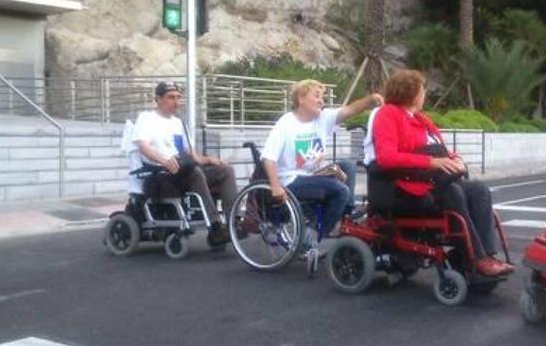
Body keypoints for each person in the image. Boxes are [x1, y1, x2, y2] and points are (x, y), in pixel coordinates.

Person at [371, 69, 513, 278]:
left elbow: (441, 150)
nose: (424, 95)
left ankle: (489, 254)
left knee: (479, 189)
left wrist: (455, 159)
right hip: (408, 184)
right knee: (454, 192)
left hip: (433, 180)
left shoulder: (422, 119)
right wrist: (431, 162)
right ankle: (477, 258)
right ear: (412, 93)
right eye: (423, 90)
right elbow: (386, 157)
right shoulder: (388, 114)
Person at [261, 80, 382, 239]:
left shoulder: (322, 118)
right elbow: (268, 158)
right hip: (292, 179)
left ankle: (345, 214)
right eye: (316, 96)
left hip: (313, 174)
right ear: (301, 98)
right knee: (341, 190)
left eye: (323, 97)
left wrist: (370, 100)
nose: (321, 101)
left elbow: (349, 110)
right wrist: (276, 187)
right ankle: (315, 233)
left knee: (347, 166)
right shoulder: (286, 123)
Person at [133, 81, 238, 245]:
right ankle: (216, 227)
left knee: (226, 170)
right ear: (158, 99)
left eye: (178, 98)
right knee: (195, 173)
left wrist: (209, 160)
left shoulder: (178, 123)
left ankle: (234, 222)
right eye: (171, 97)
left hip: (184, 169)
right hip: (162, 173)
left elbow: (191, 155)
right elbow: (143, 147)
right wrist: (164, 160)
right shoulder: (146, 118)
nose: (176, 102)